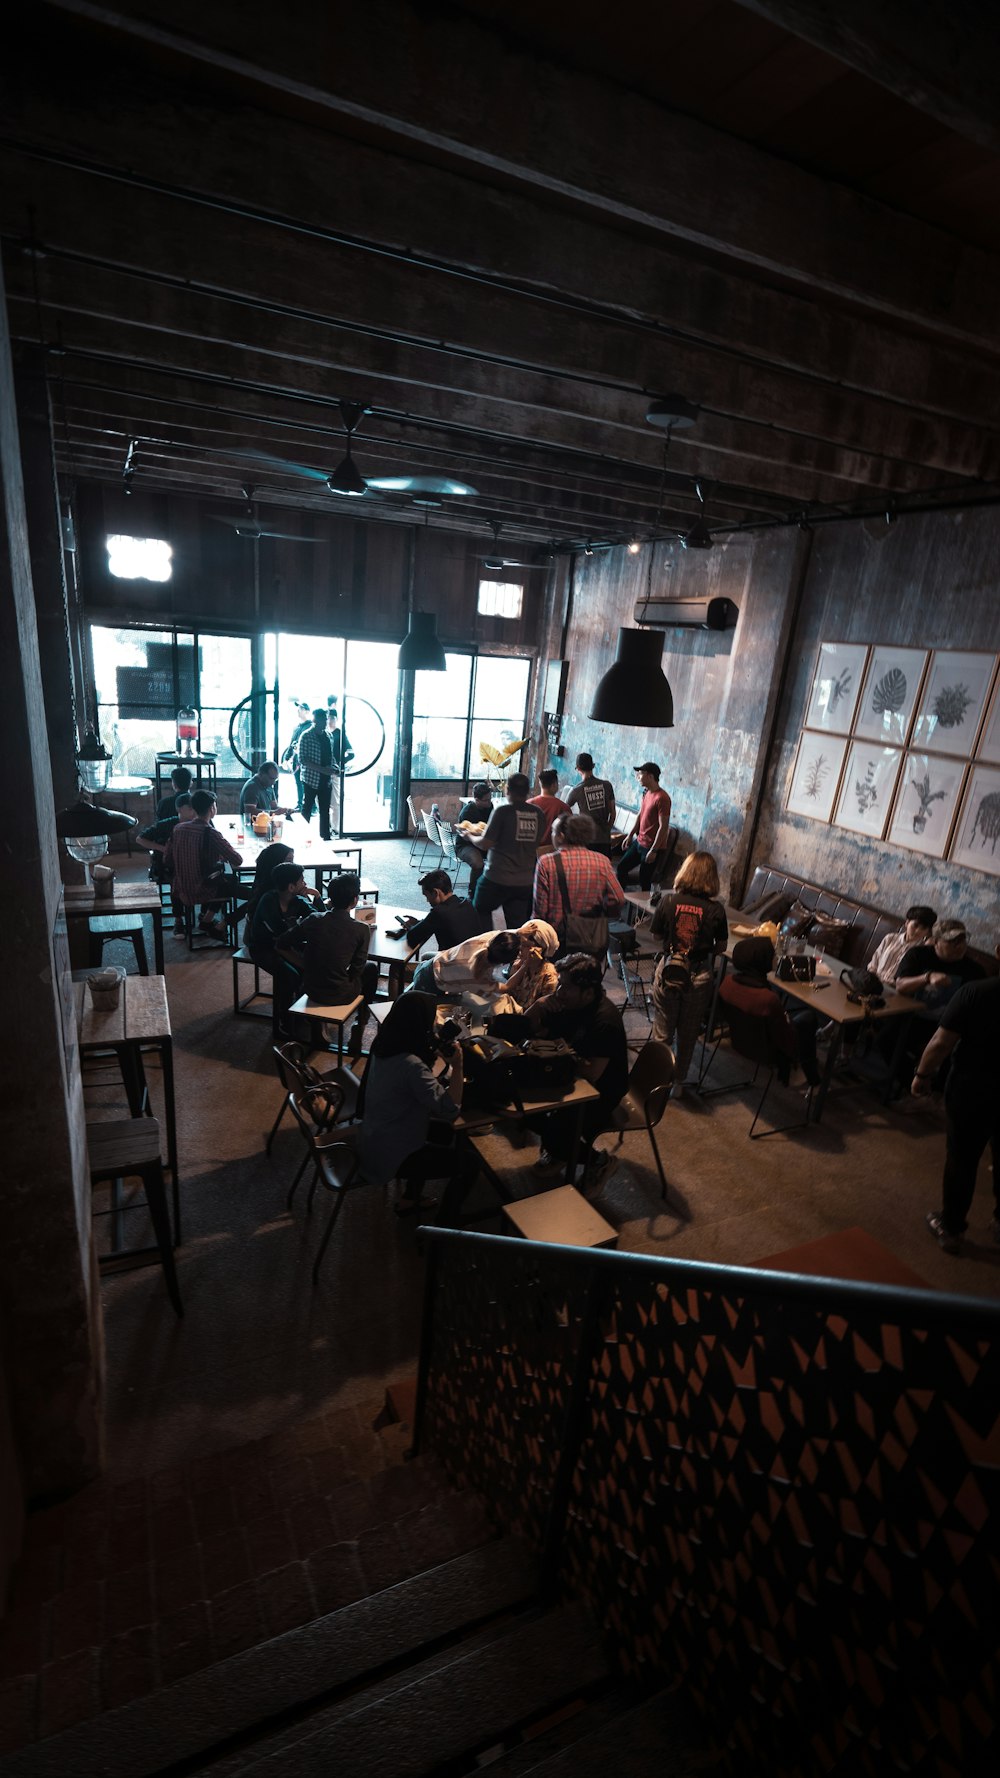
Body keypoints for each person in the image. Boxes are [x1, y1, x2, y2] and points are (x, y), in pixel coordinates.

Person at [913, 944, 1000, 1254]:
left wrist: (922, 1075)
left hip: (973, 1087)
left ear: (999, 950)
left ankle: (951, 1228)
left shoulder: (976, 992)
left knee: (962, 1158)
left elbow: (941, 1042)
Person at [359, 992, 472, 1218]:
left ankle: (411, 1197)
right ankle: (446, 1225)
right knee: (469, 1162)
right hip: (394, 1154)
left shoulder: (384, 1044)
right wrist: (458, 1067)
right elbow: (450, 1110)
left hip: (373, 1137)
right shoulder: (411, 1066)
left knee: (444, 1134)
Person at [526, 952, 628, 1179]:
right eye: (559, 984)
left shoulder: (605, 1021)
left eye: (567, 987)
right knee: (526, 1112)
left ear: (588, 992)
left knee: (555, 1133)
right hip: (570, 1075)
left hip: (602, 1092)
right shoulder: (566, 1002)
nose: (559, 992)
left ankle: (599, 1161)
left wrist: (551, 1058)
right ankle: (560, 1152)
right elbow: (528, 1027)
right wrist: (538, 1005)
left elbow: (593, 1072)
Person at [649, 850, 729, 1091]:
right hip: (699, 975)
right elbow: (721, 946)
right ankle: (679, 1085)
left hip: (669, 970)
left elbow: (655, 935)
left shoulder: (668, 901)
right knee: (688, 1032)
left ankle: (656, 1081)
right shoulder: (716, 910)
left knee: (663, 1028)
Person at [276, 872, 377, 1053]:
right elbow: (356, 969)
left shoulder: (314, 920)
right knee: (371, 969)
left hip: (311, 990)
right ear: (355, 900)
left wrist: (303, 964)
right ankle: (360, 1023)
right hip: (341, 994)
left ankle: (317, 1026)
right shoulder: (362, 929)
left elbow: (282, 944)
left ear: (330, 898)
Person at [718, 936, 820, 1088]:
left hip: (738, 1040)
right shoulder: (767, 999)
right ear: (761, 961)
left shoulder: (727, 982)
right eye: (773, 955)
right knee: (808, 1018)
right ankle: (811, 1078)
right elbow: (786, 1040)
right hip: (768, 1053)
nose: (777, 958)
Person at [532, 812, 624, 951]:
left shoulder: (547, 862)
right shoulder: (602, 861)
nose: (552, 836)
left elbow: (540, 910)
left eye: (553, 832)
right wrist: (603, 913)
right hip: (591, 934)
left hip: (558, 937)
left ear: (561, 836)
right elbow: (618, 898)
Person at [162, 788, 243, 939]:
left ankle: (183, 920)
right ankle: (207, 920)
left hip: (179, 889)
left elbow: (166, 859)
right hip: (202, 890)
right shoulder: (211, 833)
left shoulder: (178, 828)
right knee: (230, 881)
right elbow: (237, 860)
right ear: (212, 808)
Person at [247, 861, 317, 1025]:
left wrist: (317, 897)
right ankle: (283, 1019)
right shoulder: (268, 901)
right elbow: (280, 933)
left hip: (286, 945)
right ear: (291, 887)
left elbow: (318, 918)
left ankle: (302, 1011)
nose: (305, 883)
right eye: (302, 880)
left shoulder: (297, 901)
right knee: (289, 974)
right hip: (263, 948)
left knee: (313, 965)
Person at [471, 772, 545, 926]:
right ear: (528, 791)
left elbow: (485, 843)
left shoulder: (502, 811)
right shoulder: (538, 813)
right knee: (517, 926)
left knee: (479, 910)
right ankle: (513, 949)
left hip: (496, 877)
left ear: (507, 790)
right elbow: (536, 842)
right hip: (524, 881)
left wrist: (468, 836)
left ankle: (486, 944)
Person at [895, 918, 985, 1011]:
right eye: (952, 941)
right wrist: (927, 977)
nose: (960, 946)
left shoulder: (975, 970)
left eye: (962, 940)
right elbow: (900, 986)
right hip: (909, 1016)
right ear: (936, 941)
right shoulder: (918, 954)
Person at [409, 928, 520, 1002]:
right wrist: (525, 966)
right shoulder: (480, 977)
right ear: (504, 963)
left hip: (430, 965)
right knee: (462, 1002)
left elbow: (507, 936)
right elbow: (506, 987)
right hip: (430, 986)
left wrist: (522, 932)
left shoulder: (485, 939)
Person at [404, 869, 486, 956]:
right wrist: (420, 923)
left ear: (435, 892)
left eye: (427, 895)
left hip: (452, 964)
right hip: (475, 960)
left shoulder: (439, 913)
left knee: (425, 957)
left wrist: (412, 927)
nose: (427, 900)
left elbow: (412, 938)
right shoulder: (467, 903)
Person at [617, 762, 672, 889]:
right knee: (621, 867)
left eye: (640, 774)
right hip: (639, 842)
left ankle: (642, 908)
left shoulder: (662, 798)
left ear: (650, 776)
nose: (638, 777)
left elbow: (663, 827)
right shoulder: (646, 792)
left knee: (644, 880)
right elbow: (640, 815)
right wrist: (630, 835)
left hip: (651, 847)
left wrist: (654, 850)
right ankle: (620, 899)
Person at [868, 905, 937, 986]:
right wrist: (871, 980)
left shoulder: (922, 951)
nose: (918, 931)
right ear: (907, 923)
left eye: (923, 928)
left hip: (895, 989)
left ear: (928, 931)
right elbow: (873, 964)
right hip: (873, 982)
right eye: (915, 925)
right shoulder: (890, 938)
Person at [565, 753, 617, 856]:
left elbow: (563, 809)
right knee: (603, 868)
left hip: (586, 838)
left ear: (578, 769)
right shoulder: (607, 785)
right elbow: (613, 812)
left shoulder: (576, 790)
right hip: (604, 839)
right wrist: (607, 829)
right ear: (593, 766)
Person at [299, 707, 337, 839]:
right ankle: (303, 837)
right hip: (311, 780)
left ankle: (325, 837)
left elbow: (330, 757)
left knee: (325, 811)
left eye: (326, 719)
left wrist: (334, 767)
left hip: (326, 780)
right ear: (316, 721)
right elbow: (302, 760)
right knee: (307, 809)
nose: (325, 722)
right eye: (322, 719)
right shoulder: (306, 736)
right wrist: (322, 769)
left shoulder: (328, 736)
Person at [505, 919, 560, 1011]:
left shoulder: (550, 976)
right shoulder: (518, 965)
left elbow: (543, 1012)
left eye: (526, 945)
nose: (520, 949)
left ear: (540, 949)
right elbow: (507, 992)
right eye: (520, 944)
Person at [454, 781, 494, 885]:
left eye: (490, 799)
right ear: (477, 800)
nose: (489, 802)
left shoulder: (489, 807)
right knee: (478, 863)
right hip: (465, 845)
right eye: (486, 800)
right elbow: (466, 837)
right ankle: (473, 891)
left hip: (482, 842)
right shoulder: (468, 812)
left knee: (502, 857)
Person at [281, 700, 313, 810]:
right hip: (296, 761)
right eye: (298, 708)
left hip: (307, 762)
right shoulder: (297, 728)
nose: (298, 710)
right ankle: (300, 804)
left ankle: (310, 806)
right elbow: (291, 744)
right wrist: (286, 759)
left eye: (301, 708)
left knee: (307, 783)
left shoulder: (311, 727)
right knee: (298, 783)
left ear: (307, 711)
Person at [528, 769, 570, 843]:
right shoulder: (563, 807)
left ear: (540, 784)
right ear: (554, 784)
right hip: (553, 850)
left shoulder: (528, 804)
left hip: (530, 851)